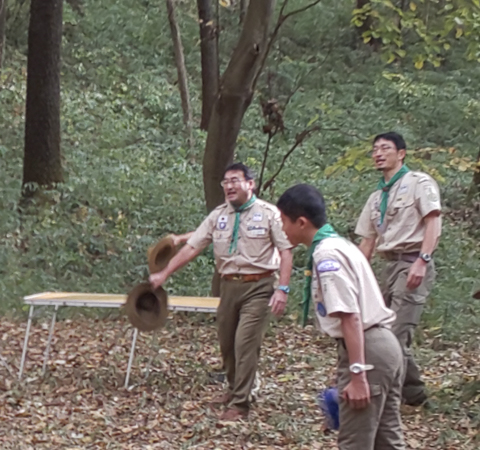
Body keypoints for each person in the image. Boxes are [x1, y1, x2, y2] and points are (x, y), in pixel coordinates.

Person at [149, 162, 293, 421]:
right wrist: (164, 274)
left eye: (235, 180)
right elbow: (193, 247)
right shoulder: (218, 216)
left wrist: (282, 289)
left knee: (245, 342)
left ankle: (241, 404)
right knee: (227, 343)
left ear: (250, 184)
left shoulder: (269, 213)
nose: (229, 186)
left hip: (259, 286)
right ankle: (234, 388)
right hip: (228, 286)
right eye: (225, 182)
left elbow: (286, 251)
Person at [277, 183, 405, 450]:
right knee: (387, 440)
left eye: (283, 221)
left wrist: (357, 374)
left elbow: (349, 316)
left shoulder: (327, 255)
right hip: (383, 346)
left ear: (301, 222)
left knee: (355, 441)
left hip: (369, 349)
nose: (281, 228)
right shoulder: (341, 244)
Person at [355, 132, 441, 407]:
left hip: (413, 261)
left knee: (395, 335)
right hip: (388, 265)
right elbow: (367, 242)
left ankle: (390, 400)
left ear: (401, 153)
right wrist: (352, 276)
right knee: (379, 332)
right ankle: (414, 393)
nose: (378, 153)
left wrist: (422, 261)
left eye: (385, 148)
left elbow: (433, 222)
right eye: (375, 149)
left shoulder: (418, 183)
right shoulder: (376, 197)